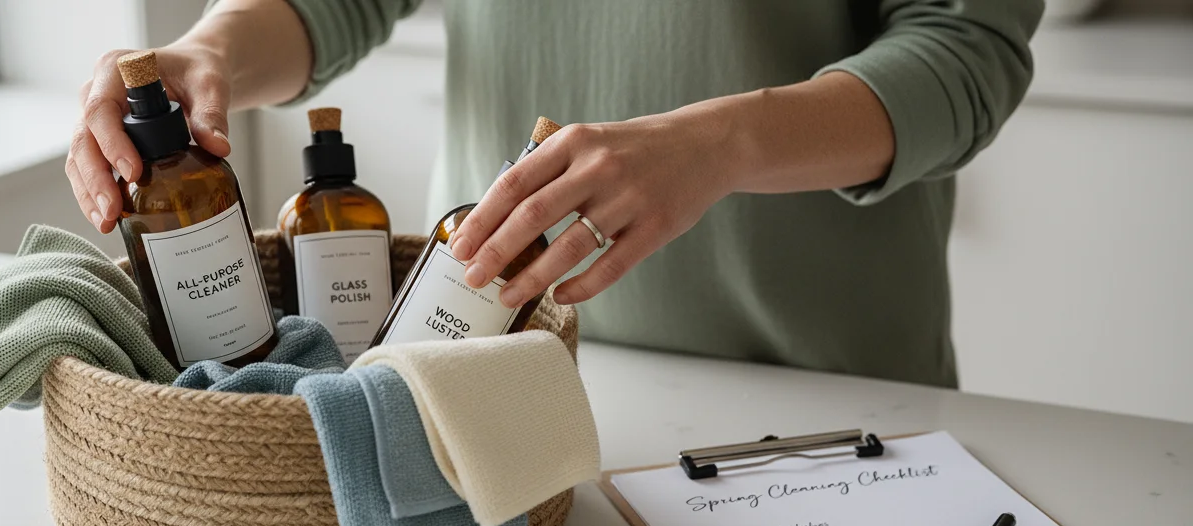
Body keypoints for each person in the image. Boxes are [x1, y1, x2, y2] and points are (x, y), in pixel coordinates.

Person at [67, 0, 1044, 388]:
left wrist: (720, 142)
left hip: (813, 388)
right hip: (482, 370)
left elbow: (966, 54)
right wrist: (209, 53)